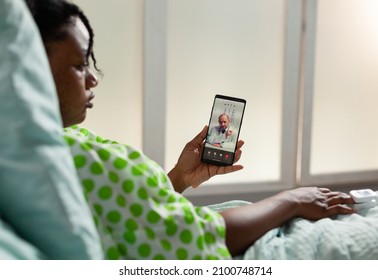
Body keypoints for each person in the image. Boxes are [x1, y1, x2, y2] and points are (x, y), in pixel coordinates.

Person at [25, 0, 356, 260]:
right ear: (29, 65)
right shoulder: (70, 154)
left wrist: (180, 180)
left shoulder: (58, 144)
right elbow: (201, 239)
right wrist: (292, 199)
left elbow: (131, 222)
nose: (93, 78)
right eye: (80, 64)